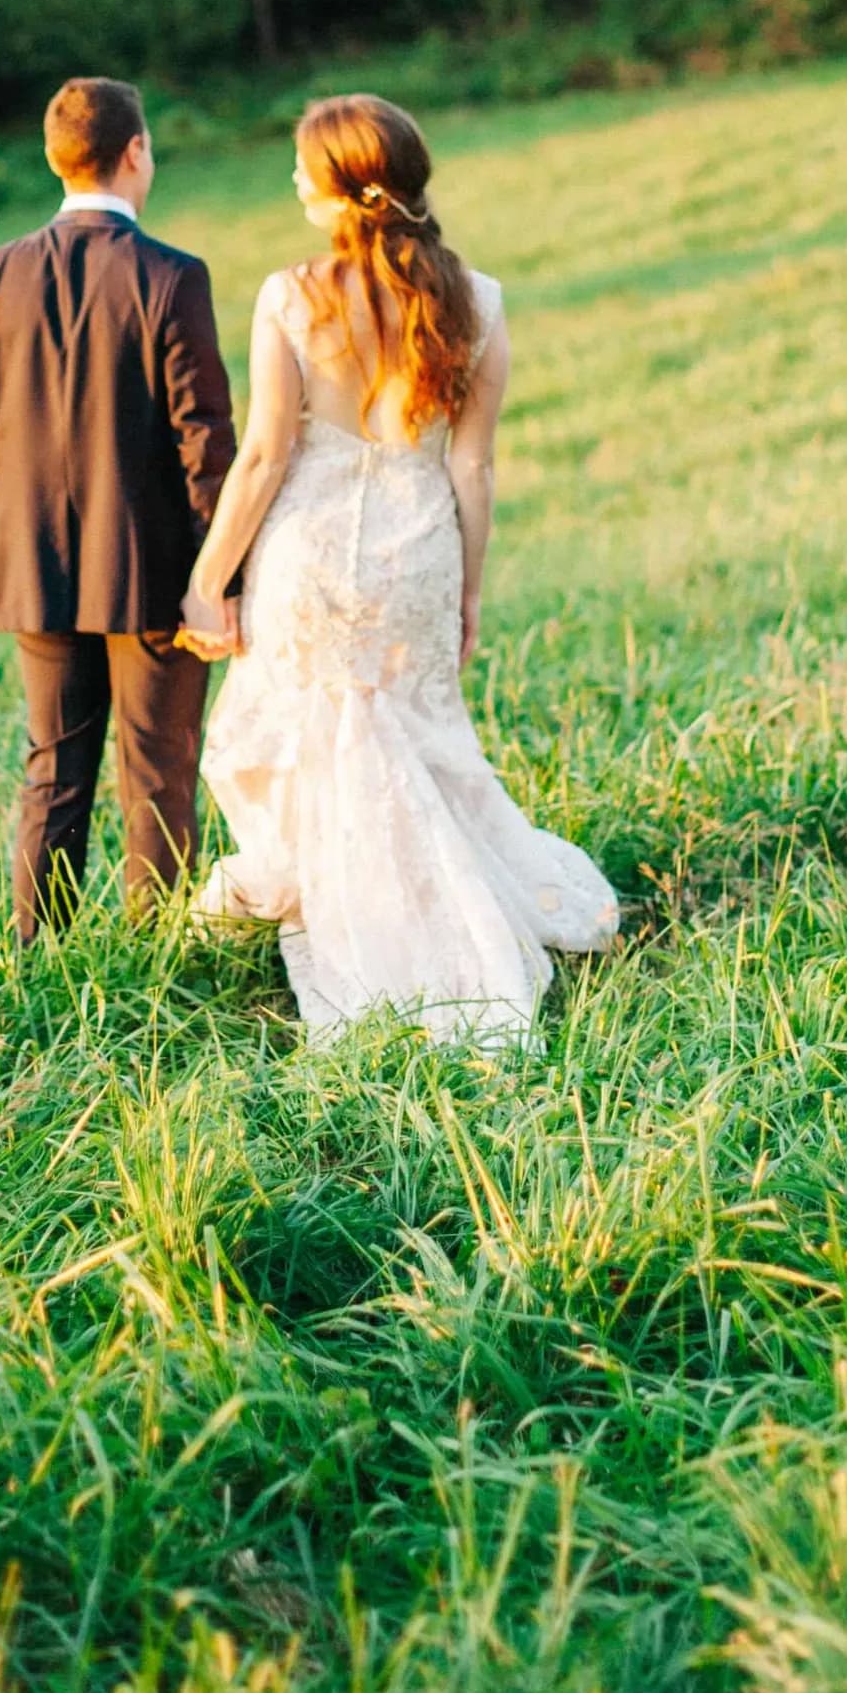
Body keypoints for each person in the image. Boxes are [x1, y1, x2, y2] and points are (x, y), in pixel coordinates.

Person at [178, 93, 616, 1042]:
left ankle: (361, 919)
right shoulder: (479, 300)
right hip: (418, 550)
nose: (292, 179)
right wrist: (466, 588)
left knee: (319, 743)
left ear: (342, 188)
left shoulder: (290, 295)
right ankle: (426, 905)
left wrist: (209, 576)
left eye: (303, 167)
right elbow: (474, 462)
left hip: (312, 555)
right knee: (406, 741)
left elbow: (262, 457)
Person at [0, 76, 236, 939]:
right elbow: (205, 443)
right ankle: (160, 954)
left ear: (55, 159)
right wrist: (221, 572)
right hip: (158, 570)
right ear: (136, 152)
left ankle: (41, 955)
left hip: (33, 564)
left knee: (54, 768)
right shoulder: (172, 277)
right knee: (159, 770)